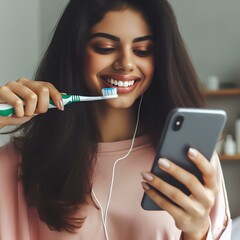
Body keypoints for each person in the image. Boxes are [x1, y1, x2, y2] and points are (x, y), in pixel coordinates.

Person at [0, 0, 232, 239]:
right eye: (105, 47)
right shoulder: (18, 163)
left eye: (142, 51)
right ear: (74, 51)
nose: (126, 64)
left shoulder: (190, 162)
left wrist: (198, 231)